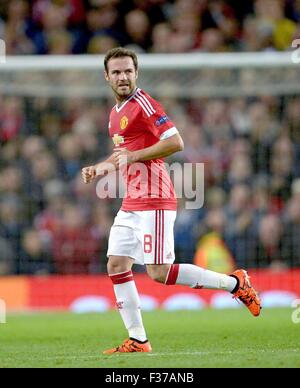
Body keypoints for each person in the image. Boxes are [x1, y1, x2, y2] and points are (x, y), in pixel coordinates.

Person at [82, 47, 261, 355]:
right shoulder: (115, 113)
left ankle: (235, 283)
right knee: (116, 263)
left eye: (128, 71)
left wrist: (135, 156)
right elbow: (123, 155)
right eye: (117, 72)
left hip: (155, 200)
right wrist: (101, 168)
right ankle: (138, 339)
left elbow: (175, 142)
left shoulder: (144, 103)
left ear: (136, 73)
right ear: (107, 76)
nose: (123, 77)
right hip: (131, 202)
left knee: (159, 273)